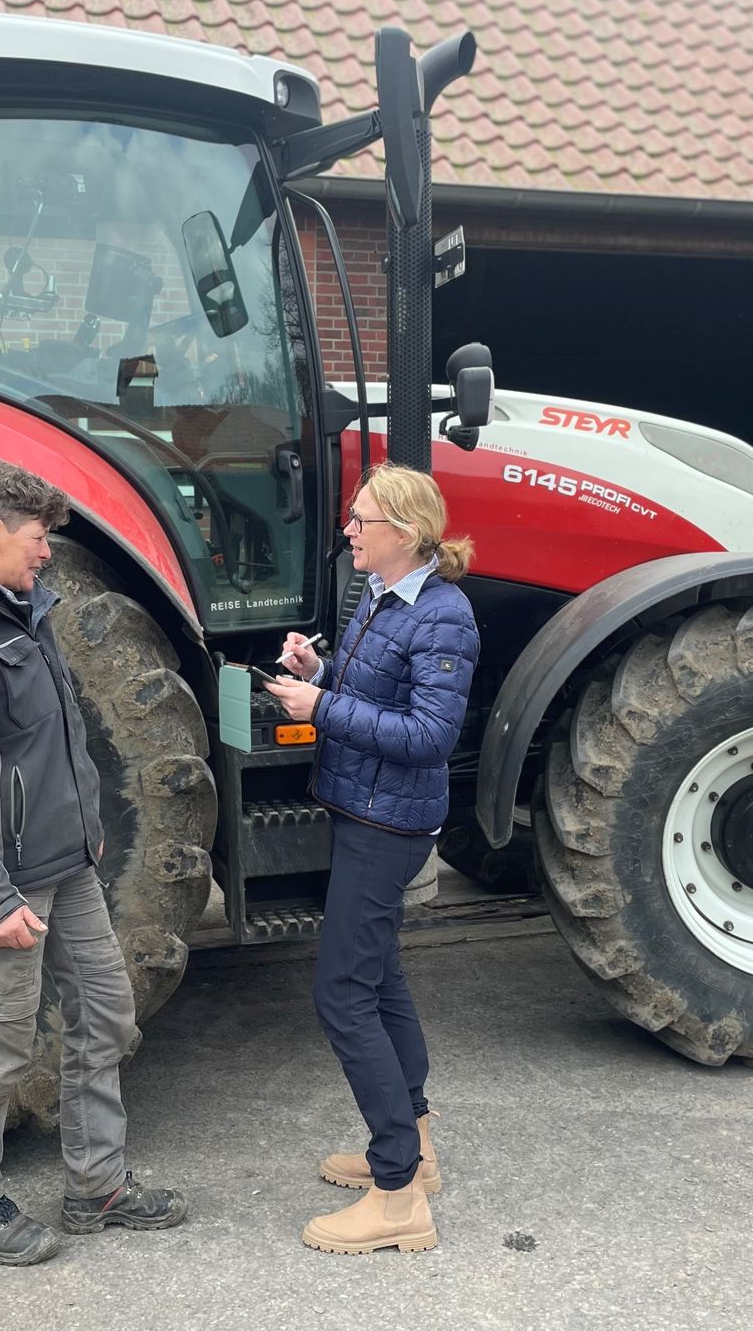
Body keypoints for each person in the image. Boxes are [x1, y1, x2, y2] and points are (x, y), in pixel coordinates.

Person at [0, 459, 187, 1266]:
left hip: (66, 866)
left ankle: (98, 1186)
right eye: (37, 535)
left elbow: (50, 741)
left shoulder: (19, 614)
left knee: (107, 1015)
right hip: (6, 884)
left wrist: (85, 831)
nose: (47, 551)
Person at [266, 463, 479, 1256]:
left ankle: (397, 1196)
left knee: (342, 994)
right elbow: (382, 698)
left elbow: (429, 737)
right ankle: (416, 1151)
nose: (349, 530)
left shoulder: (445, 616)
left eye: (362, 519)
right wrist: (318, 674)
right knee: (379, 978)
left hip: (389, 825)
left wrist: (322, 707)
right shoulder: (382, 595)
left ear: (408, 533)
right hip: (364, 811)